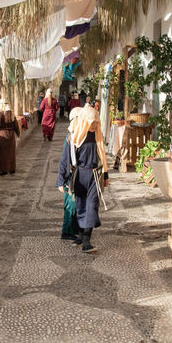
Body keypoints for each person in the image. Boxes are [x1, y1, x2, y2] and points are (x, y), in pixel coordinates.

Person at [57, 104, 109, 253]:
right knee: (80, 206)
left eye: (96, 122)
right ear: (85, 121)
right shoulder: (73, 138)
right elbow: (65, 160)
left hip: (94, 176)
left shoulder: (97, 136)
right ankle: (80, 236)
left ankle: (86, 241)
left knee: (92, 206)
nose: (94, 125)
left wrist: (105, 175)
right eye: (91, 122)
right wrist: (61, 180)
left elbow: (103, 157)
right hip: (79, 176)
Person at [59, 107, 83, 241]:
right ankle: (67, 231)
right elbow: (64, 161)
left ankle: (74, 229)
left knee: (76, 202)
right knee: (70, 203)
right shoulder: (70, 138)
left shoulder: (79, 137)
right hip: (71, 177)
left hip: (78, 175)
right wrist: (61, 181)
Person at [0, 98, 21, 175]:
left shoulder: (0, 114)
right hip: (11, 135)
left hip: (3, 134)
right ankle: (12, 169)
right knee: (11, 152)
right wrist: (18, 135)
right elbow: (16, 126)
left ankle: (4, 170)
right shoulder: (12, 114)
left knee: (3, 153)